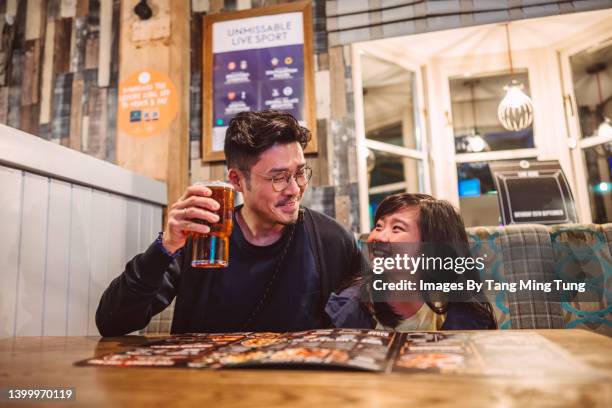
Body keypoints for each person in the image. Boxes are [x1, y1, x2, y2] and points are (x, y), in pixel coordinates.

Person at [96, 110, 363, 336]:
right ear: (236, 180)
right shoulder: (202, 238)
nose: (295, 188)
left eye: (300, 172)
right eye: (279, 177)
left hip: (297, 391)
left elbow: (375, 316)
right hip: (207, 390)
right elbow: (112, 323)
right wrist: (166, 246)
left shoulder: (331, 239)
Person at [325, 193, 497, 331]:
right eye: (378, 226)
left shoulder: (463, 309)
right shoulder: (349, 309)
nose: (378, 237)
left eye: (396, 228)